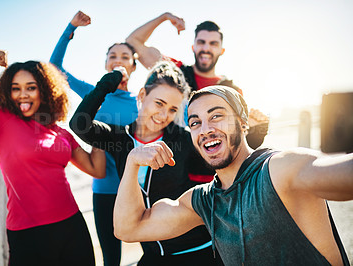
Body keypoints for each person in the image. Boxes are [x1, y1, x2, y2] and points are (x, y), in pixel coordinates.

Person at [113, 85, 352, 265]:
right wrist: (132, 161)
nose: (206, 129)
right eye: (195, 122)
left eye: (217, 116)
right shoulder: (203, 201)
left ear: (243, 122)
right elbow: (128, 229)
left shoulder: (279, 168)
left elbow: (341, 174)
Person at [0, 48, 107, 265]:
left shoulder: (60, 132)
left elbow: (96, 169)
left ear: (45, 90)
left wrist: (99, 120)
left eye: (31, 88)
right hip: (27, 233)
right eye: (15, 88)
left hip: (72, 225)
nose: (22, 94)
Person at [70, 61, 222, 266]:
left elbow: (221, 163)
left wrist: (254, 135)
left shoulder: (183, 140)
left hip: (199, 250)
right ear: (142, 96)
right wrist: (110, 81)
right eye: (159, 103)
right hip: (154, 252)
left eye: (172, 109)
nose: (163, 115)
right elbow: (79, 124)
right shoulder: (120, 139)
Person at [50, 11, 138, 266]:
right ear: (106, 64)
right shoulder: (94, 92)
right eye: (113, 56)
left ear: (133, 66)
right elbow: (54, 68)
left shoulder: (142, 101)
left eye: (125, 56)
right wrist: (70, 28)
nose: (118, 60)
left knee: (152, 249)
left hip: (137, 190)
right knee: (111, 257)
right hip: (104, 191)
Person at [126, 12, 269, 154]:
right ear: (193, 47)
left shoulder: (231, 90)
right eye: (201, 42)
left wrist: (256, 131)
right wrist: (164, 17)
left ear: (222, 50)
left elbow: (240, 143)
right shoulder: (176, 75)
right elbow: (133, 41)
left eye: (213, 44)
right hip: (175, 167)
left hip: (213, 171)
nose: (206, 48)